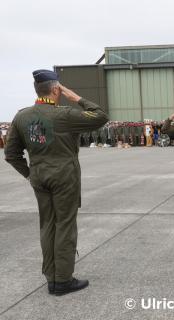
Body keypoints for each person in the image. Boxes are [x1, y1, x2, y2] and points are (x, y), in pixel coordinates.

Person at [4, 69, 108, 296]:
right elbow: (100, 116)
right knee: (65, 225)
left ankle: (51, 276)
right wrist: (75, 97)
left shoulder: (22, 116)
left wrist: (30, 173)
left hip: (39, 178)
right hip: (64, 178)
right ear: (55, 89)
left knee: (47, 224)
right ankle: (62, 280)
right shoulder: (64, 114)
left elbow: (11, 154)